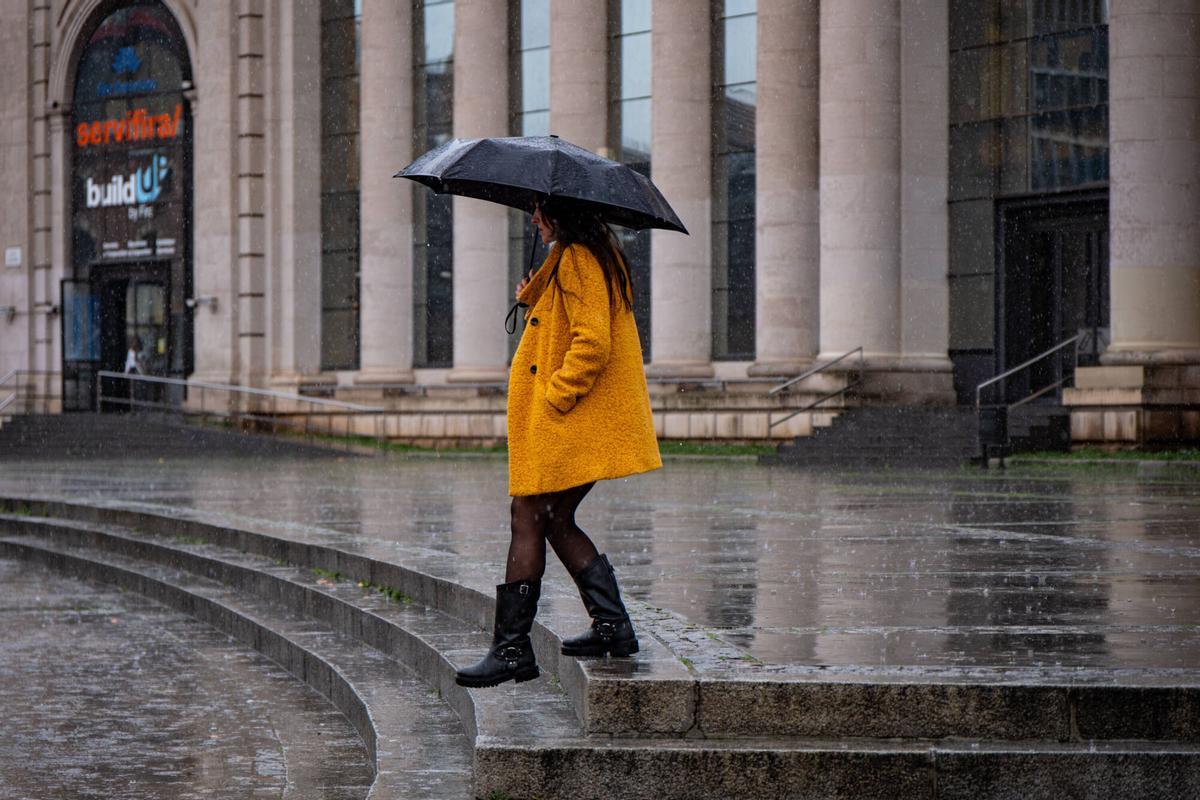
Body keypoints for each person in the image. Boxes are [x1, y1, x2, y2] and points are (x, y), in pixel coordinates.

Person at [455, 199, 662, 688]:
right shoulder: (581, 258)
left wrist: (555, 396)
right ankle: (612, 626)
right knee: (550, 517)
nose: (533, 220)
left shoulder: (577, 259)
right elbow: (569, 325)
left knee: (530, 515)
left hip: (571, 420)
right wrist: (534, 299)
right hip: (578, 421)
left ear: (559, 215)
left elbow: (592, 341)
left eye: (539, 212)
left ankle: (512, 651)